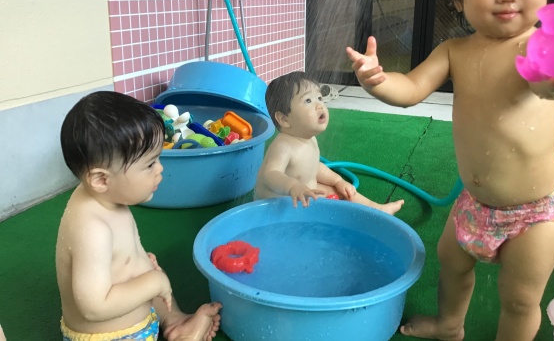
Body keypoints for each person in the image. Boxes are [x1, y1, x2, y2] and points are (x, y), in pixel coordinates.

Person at [346, 0, 554, 341]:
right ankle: (449, 326)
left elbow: (549, 79)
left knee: (519, 299)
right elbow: (411, 88)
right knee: (452, 266)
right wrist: (379, 80)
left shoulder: (537, 46)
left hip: (535, 212)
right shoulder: (454, 51)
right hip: (474, 203)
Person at [57, 91, 222, 341]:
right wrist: (153, 282)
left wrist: (141, 266)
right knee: (152, 277)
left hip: (133, 315)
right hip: (112, 336)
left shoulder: (107, 195)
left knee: (147, 266)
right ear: (101, 180)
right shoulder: (92, 229)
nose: (160, 168)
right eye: (150, 164)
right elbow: (94, 307)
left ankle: (175, 323)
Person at [254, 71, 404, 214]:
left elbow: (314, 166)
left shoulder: (309, 139)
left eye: (319, 98)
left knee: (344, 191)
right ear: (284, 119)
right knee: (331, 200)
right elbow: (271, 174)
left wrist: (338, 181)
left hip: (305, 194)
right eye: (308, 100)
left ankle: (376, 209)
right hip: (278, 205)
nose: (319, 105)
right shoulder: (283, 146)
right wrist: (293, 187)